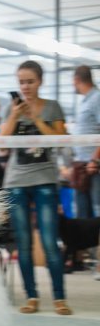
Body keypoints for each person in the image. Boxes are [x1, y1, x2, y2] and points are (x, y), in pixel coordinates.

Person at [0, 60, 71, 315]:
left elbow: (60, 142)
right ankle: (32, 296)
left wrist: (35, 118)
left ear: (40, 81)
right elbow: (1, 146)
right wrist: (14, 116)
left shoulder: (52, 107)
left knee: (50, 241)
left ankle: (60, 297)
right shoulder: (11, 108)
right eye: (21, 82)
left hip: (45, 180)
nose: (25, 87)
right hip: (16, 181)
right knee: (23, 242)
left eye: (30, 81)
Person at [72, 65, 100, 219]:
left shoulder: (97, 98)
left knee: (97, 210)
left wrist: (94, 159)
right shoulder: (85, 100)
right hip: (84, 166)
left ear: (76, 79)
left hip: (94, 167)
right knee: (84, 213)